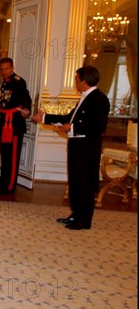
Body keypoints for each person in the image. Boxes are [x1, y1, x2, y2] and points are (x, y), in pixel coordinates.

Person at [31, 66, 110, 230]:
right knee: (75, 182)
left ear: (84, 80)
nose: (75, 82)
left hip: (87, 149)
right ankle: (76, 214)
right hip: (77, 146)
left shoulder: (99, 99)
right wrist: (44, 117)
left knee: (85, 184)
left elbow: (98, 127)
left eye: (76, 79)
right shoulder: (85, 97)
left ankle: (84, 221)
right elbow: (68, 118)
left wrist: (72, 128)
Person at [0, 57, 32, 195]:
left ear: (12, 68)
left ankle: (10, 186)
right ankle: (3, 181)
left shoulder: (18, 82)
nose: (4, 72)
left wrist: (27, 108)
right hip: (4, 123)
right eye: (2, 69)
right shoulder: (3, 82)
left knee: (13, 156)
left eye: (6, 69)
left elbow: (25, 96)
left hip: (14, 125)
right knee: (4, 155)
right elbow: (1, 104)